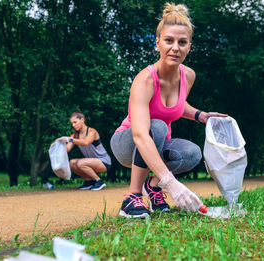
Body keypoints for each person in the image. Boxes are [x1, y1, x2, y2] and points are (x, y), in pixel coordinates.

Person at [110, 3, 227, 218]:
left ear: (189, 46)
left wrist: (200, 115)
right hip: (127, 143)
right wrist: (171, 183)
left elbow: (177, 105)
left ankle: (152, 188)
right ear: (158, 43)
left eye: (182, 42)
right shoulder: (145, 80)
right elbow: (140, 134)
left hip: (158, 141)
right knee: (157, 126)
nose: (175, 48)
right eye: (169, 41)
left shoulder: (188, 75)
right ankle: (133, 197)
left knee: (191, 153)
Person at [57, 112, 111, 191]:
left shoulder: (92, 131)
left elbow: (86, 142)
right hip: (89, 162)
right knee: (72, 163)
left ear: (82, 120)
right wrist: (59, 145)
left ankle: (99, 181)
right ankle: (89, 181)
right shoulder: (75, 135)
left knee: (80, 163)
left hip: (104, 162)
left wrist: (70, 139)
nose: (73, 125)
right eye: (72, 123)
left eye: (75, 122)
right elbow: (67, 149)